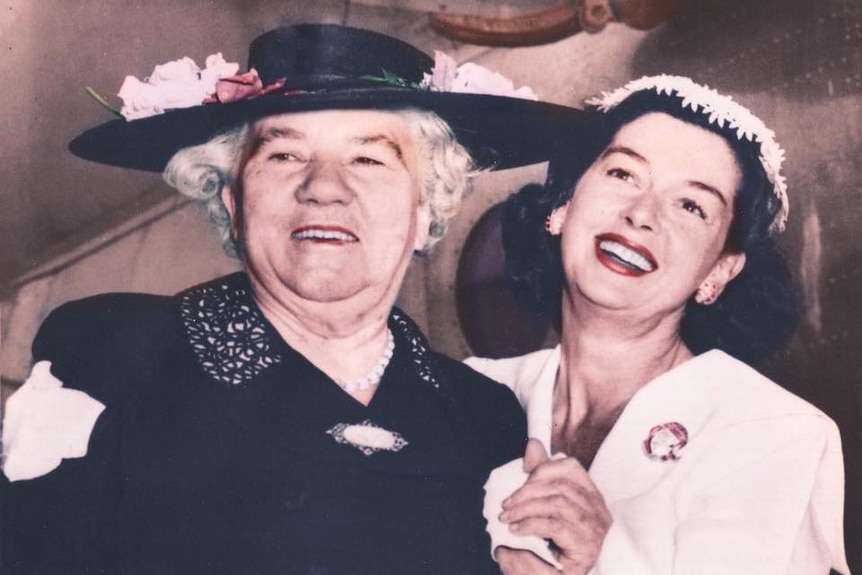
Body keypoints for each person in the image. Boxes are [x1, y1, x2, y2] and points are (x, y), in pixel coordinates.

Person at [0, 24, 587, 575]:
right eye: (284, 155)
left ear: (423, 210)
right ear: (232, 200)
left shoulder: (483, 415)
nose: (324, 187)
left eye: (368, 158)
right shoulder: (116, 351)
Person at [467, 75, 850, 574]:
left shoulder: (777, 434)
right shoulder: (468, 388)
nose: (642, 214)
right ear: (563, 204)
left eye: (691, 205)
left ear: (719, 270)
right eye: (624, 175)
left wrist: (604, 558)